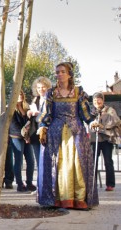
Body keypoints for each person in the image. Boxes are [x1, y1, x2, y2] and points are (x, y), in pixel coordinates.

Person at [37, 62, 98, 209]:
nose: (59, 74)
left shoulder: (79, 92)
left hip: (76, 131)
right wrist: (42, 127)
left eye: (62, 71)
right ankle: (59, 198)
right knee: (59, 164)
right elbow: (45, 114)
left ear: (69, 74)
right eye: (57, 72)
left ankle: (79, 199)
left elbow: (85, 114)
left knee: (77, 163)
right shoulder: (51, 93)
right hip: (56, 132)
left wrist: (93, 121)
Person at [89, 92, 119, 192]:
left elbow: (116, 121)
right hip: (94, 139)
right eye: (94, 100)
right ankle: (92, 183)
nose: (97, 101)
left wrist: (103, 126)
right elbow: (87, 123)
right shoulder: (91, 112)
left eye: (98, 99)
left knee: (108, 161)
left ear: (102, 100)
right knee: (93, 161)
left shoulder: (110, 110)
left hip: (106, 139)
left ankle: (110, 184)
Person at [8, 90, 35, 192]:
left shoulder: (27, 107)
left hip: (27, 137)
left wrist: (28, 136)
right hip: (17, 137)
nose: (19, 96)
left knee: (31, 161)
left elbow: (30, 122)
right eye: (17, 95)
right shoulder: (10, 109)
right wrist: (24, 135)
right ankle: (19, 184)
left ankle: (29, 182)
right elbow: (13, 125)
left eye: (21, 95)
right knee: (18, 161)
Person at [26, 77, 52, 171]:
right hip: (35, 132)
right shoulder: (35, 99)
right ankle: (40, 183)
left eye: (43, 87)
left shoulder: (51, 100)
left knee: (48, 160)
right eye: (39, 87)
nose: (41, 89)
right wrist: (29, 113)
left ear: (48, 87)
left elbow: (51, 115)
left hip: (47, 132)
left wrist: (40, 114)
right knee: (38, 160)